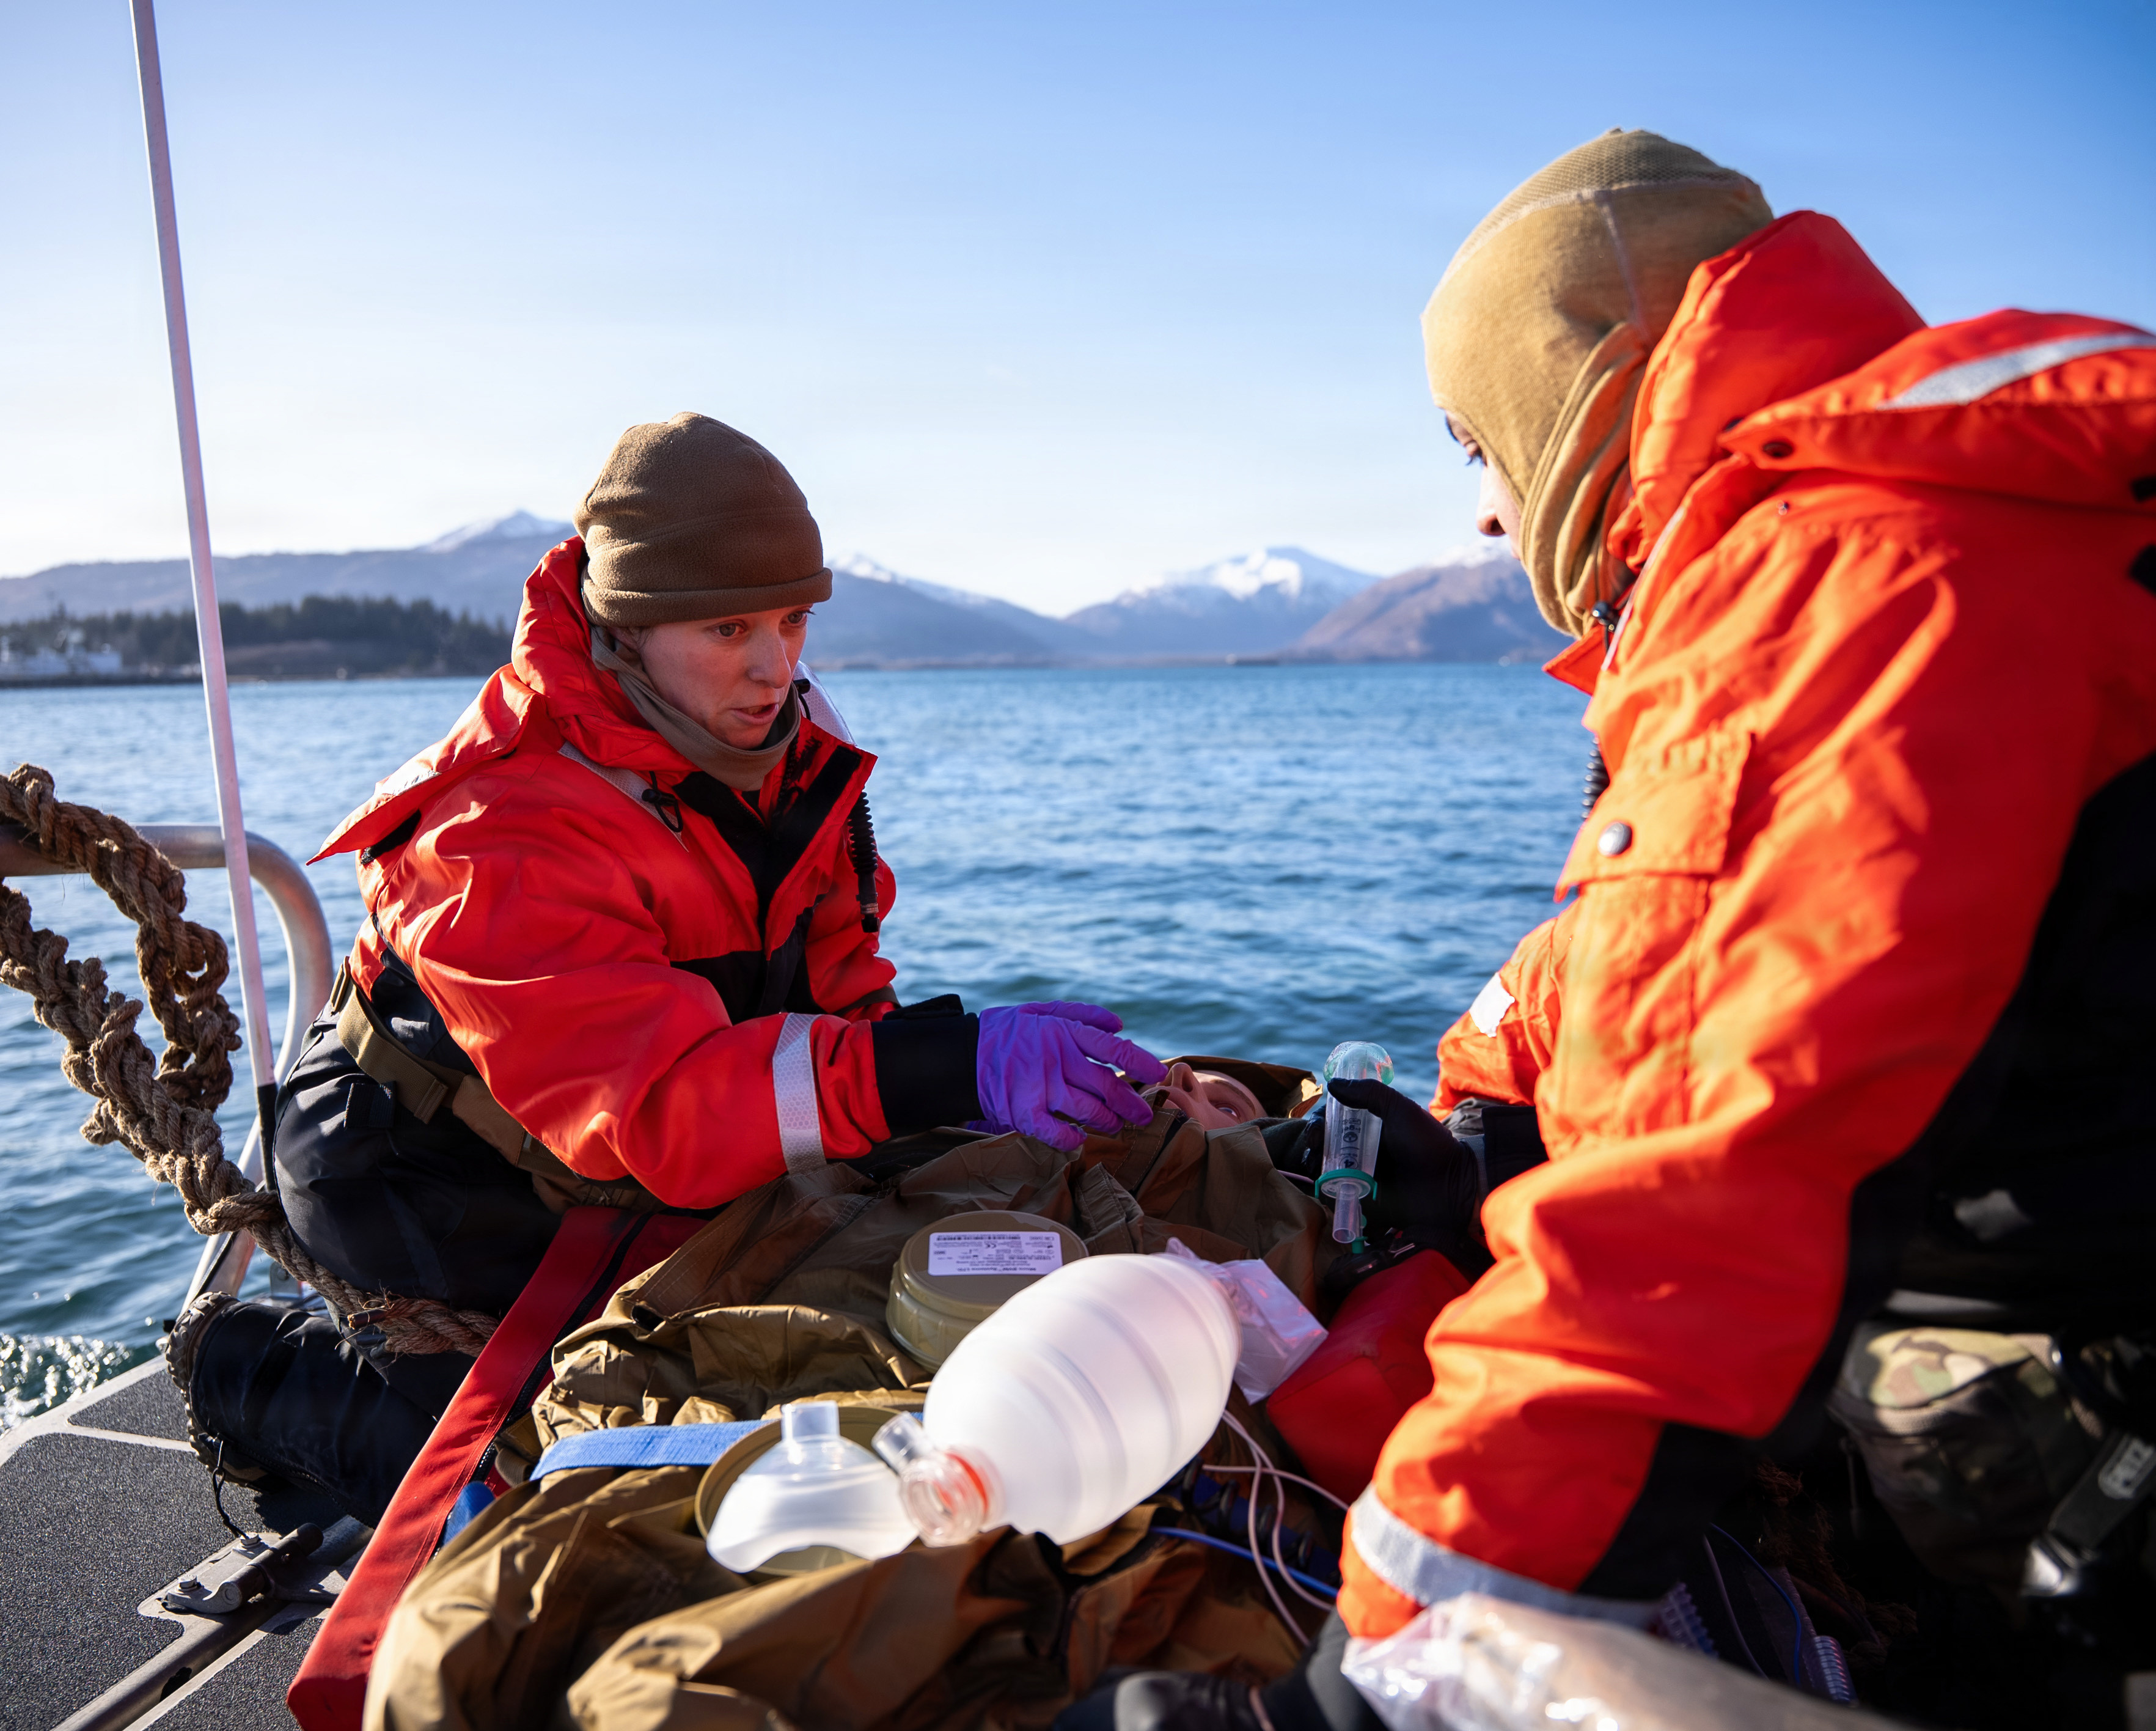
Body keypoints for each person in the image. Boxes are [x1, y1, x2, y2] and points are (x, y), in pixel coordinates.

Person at [1065, 128, 2156, 1729]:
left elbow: (1695, 1214)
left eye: (1475, 447)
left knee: (1894, 1421)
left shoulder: (1837, 582)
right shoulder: (1952, 498)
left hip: (2095, 1342)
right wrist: (1481, 1121)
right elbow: (1758, 949)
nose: (1492, 522)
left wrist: (1392, 1678)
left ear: (1598, 386)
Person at [169, 411, 1163, 1523]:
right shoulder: (499, 829)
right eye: (730, 629)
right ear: (628, 628)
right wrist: (946, 1068)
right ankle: (249, 1371)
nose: (775, 668)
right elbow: (656, 1108)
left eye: (792, 622)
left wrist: (959, 1090)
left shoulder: (782, 747)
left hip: (640, 1146)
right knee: (549, 1487)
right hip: (431, 1175)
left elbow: (833, 980)